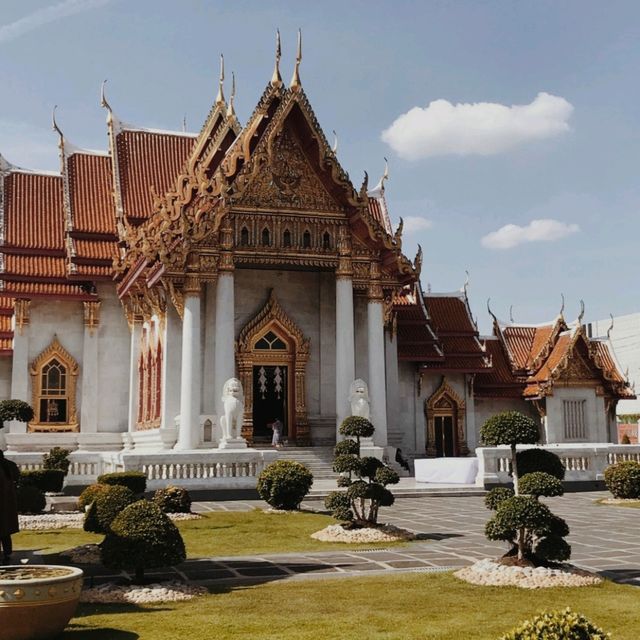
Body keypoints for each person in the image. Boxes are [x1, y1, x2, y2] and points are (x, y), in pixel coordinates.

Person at [0, 450, 19, 564]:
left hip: (3, 502)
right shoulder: (9, 465)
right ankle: (7, 553)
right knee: (5, 531)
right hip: (7, 504)